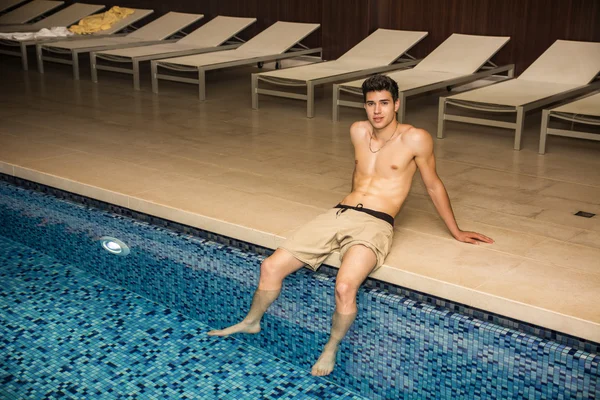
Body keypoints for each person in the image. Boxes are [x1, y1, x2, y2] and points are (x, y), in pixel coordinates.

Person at [208, 74, 494, 376]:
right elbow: (357, 176)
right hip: (341, 212)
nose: (377, 111)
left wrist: (456, 231)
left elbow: (433, 185)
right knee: (270, 266)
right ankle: (252, 321)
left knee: (344, 286)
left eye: (384, 103)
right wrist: (342, 214)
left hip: (377, 222)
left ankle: (330, 348)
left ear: (396, 104)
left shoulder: (415, 138)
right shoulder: (358, 131)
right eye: (371, 104)